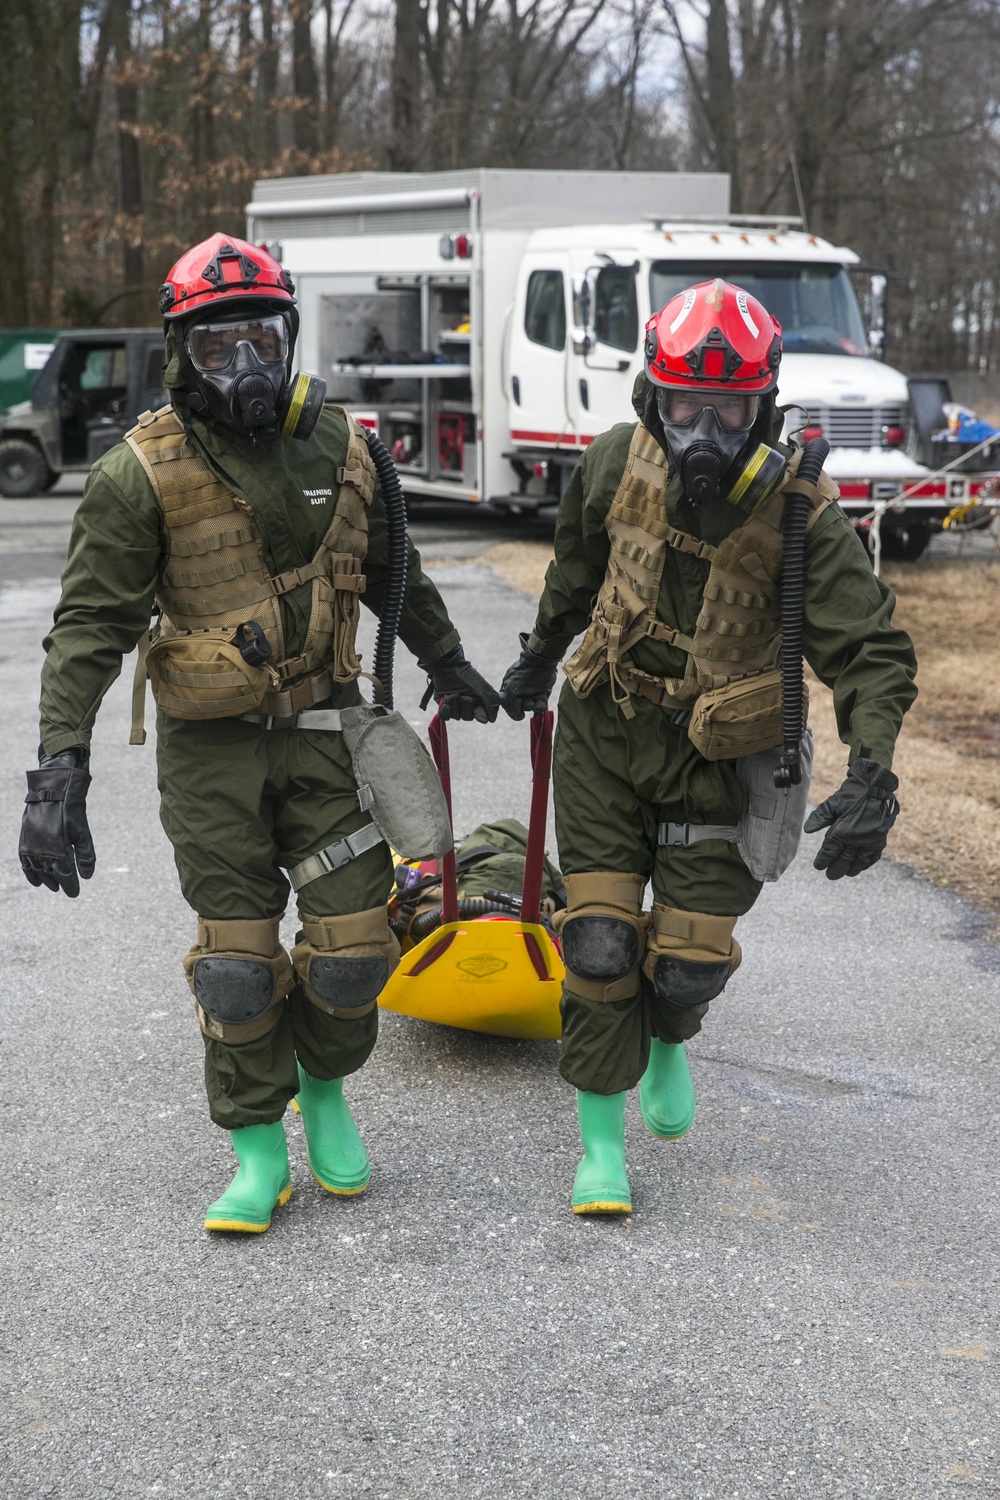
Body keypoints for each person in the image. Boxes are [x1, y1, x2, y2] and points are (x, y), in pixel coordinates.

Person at [18, 233, 499, 1234]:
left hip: (327, 736)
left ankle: (322, 1095)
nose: (244, 370)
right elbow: (91, 627)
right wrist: (59, 765)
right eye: (216, 348)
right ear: (178, 353)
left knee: (354, 952)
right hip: (213, 759)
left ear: (289, 338)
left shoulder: (344, 448)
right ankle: (256, 1148)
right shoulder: (137, 476)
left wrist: (449, 662)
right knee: (237, 968)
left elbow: (394, 572)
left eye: (261, 341)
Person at [500, 278, 917, 1216]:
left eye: (728, 410)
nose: (705, 433)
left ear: (762, 407)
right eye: (686, 405)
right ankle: (599, 1148)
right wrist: (535, 661)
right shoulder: (612, 465)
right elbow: (574, 572)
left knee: (686, 963)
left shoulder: (801, 515)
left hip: (723, 760)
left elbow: (871, 650)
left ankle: (673, 1035)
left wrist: (874, 771)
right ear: (654, 396)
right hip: (606, 730)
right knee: (600, 944)